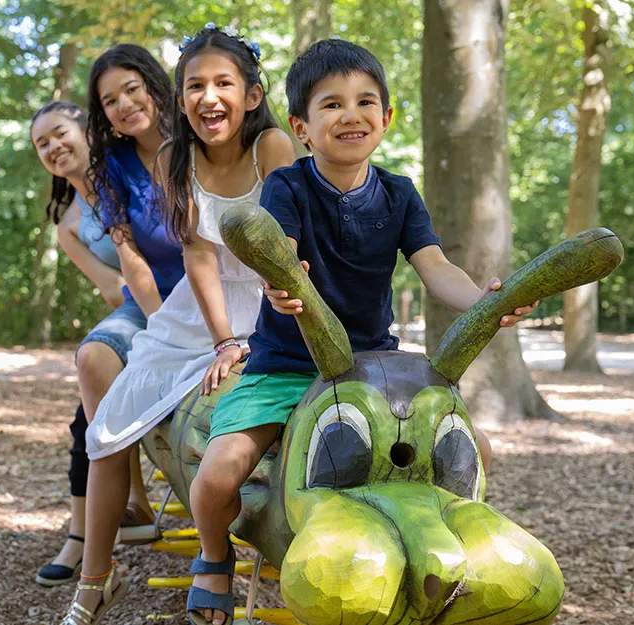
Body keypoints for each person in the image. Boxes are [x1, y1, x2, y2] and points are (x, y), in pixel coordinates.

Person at [186, 40, 537, 625]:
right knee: (218, 472)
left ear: (387, 118)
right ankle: (213, 557)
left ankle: (447, 556)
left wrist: (481, 300)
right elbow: (281, 254)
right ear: (301, 126)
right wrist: (281, 278)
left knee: (478, 453)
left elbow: (435, 268)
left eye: (365, 102)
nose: (351, 115)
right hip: (287, 363)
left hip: (371, 369)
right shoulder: (288, 188)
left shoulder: (399, 194)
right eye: (331, 105)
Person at [59, 28, 294, 625]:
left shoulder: (273, 146)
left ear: (250, 93)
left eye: (223, 84)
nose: (208, 97)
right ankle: (95, 578)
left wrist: (256, 337)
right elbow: (198, 255)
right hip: (201, 307)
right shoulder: (174, 156)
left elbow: (289, 251)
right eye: (195, 85)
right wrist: (223, 340)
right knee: (109, 420)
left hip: (273, 298)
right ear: (180, 97)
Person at [28, 99, 176, 587]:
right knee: (93, 384)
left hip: (188, 291)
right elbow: (115, 290)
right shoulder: (68, 225)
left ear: (86, 130)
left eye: (58, 133)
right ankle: (111, 518)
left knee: (85, 414)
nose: (52, 146)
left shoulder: (133, 170)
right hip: (138, 312)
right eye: (41, 143)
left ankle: (87, 533)